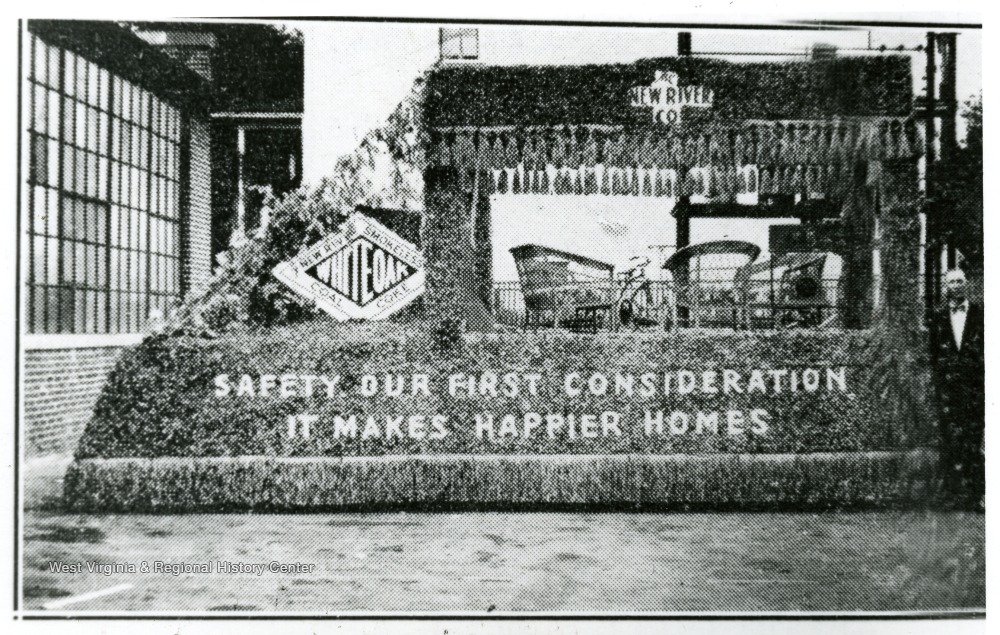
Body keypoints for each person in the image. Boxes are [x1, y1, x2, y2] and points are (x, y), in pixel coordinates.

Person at [928, 268, 985, 510]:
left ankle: (977, 495)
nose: (956, 285)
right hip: (948, 391)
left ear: (966, 283)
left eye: (960, 281)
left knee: (974, 441)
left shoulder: (981, 313)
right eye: (951, 282)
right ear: (946, 286)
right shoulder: (938, 316)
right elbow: (933, 354)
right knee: (949, 441)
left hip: (974, 390)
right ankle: (951, 495)